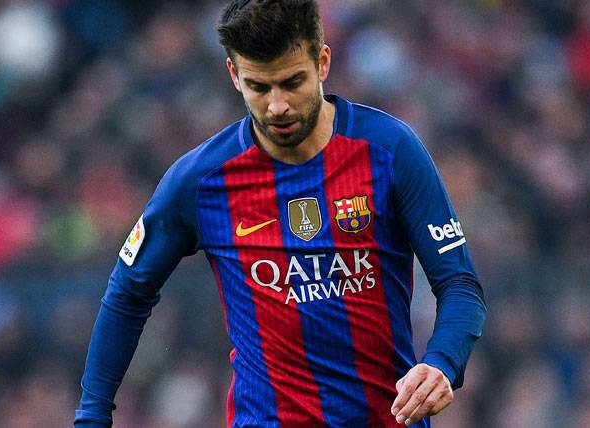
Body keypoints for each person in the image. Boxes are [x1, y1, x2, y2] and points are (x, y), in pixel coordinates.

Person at [74, 0, 487, 426]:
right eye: (259, 86)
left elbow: (459, 284)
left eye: (292, 83)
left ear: (322, 62)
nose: (277, 106)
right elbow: (127, 293)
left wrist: (441, 363)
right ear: (234, 75)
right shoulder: (199, 180)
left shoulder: (390, 149)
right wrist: (91, 416)